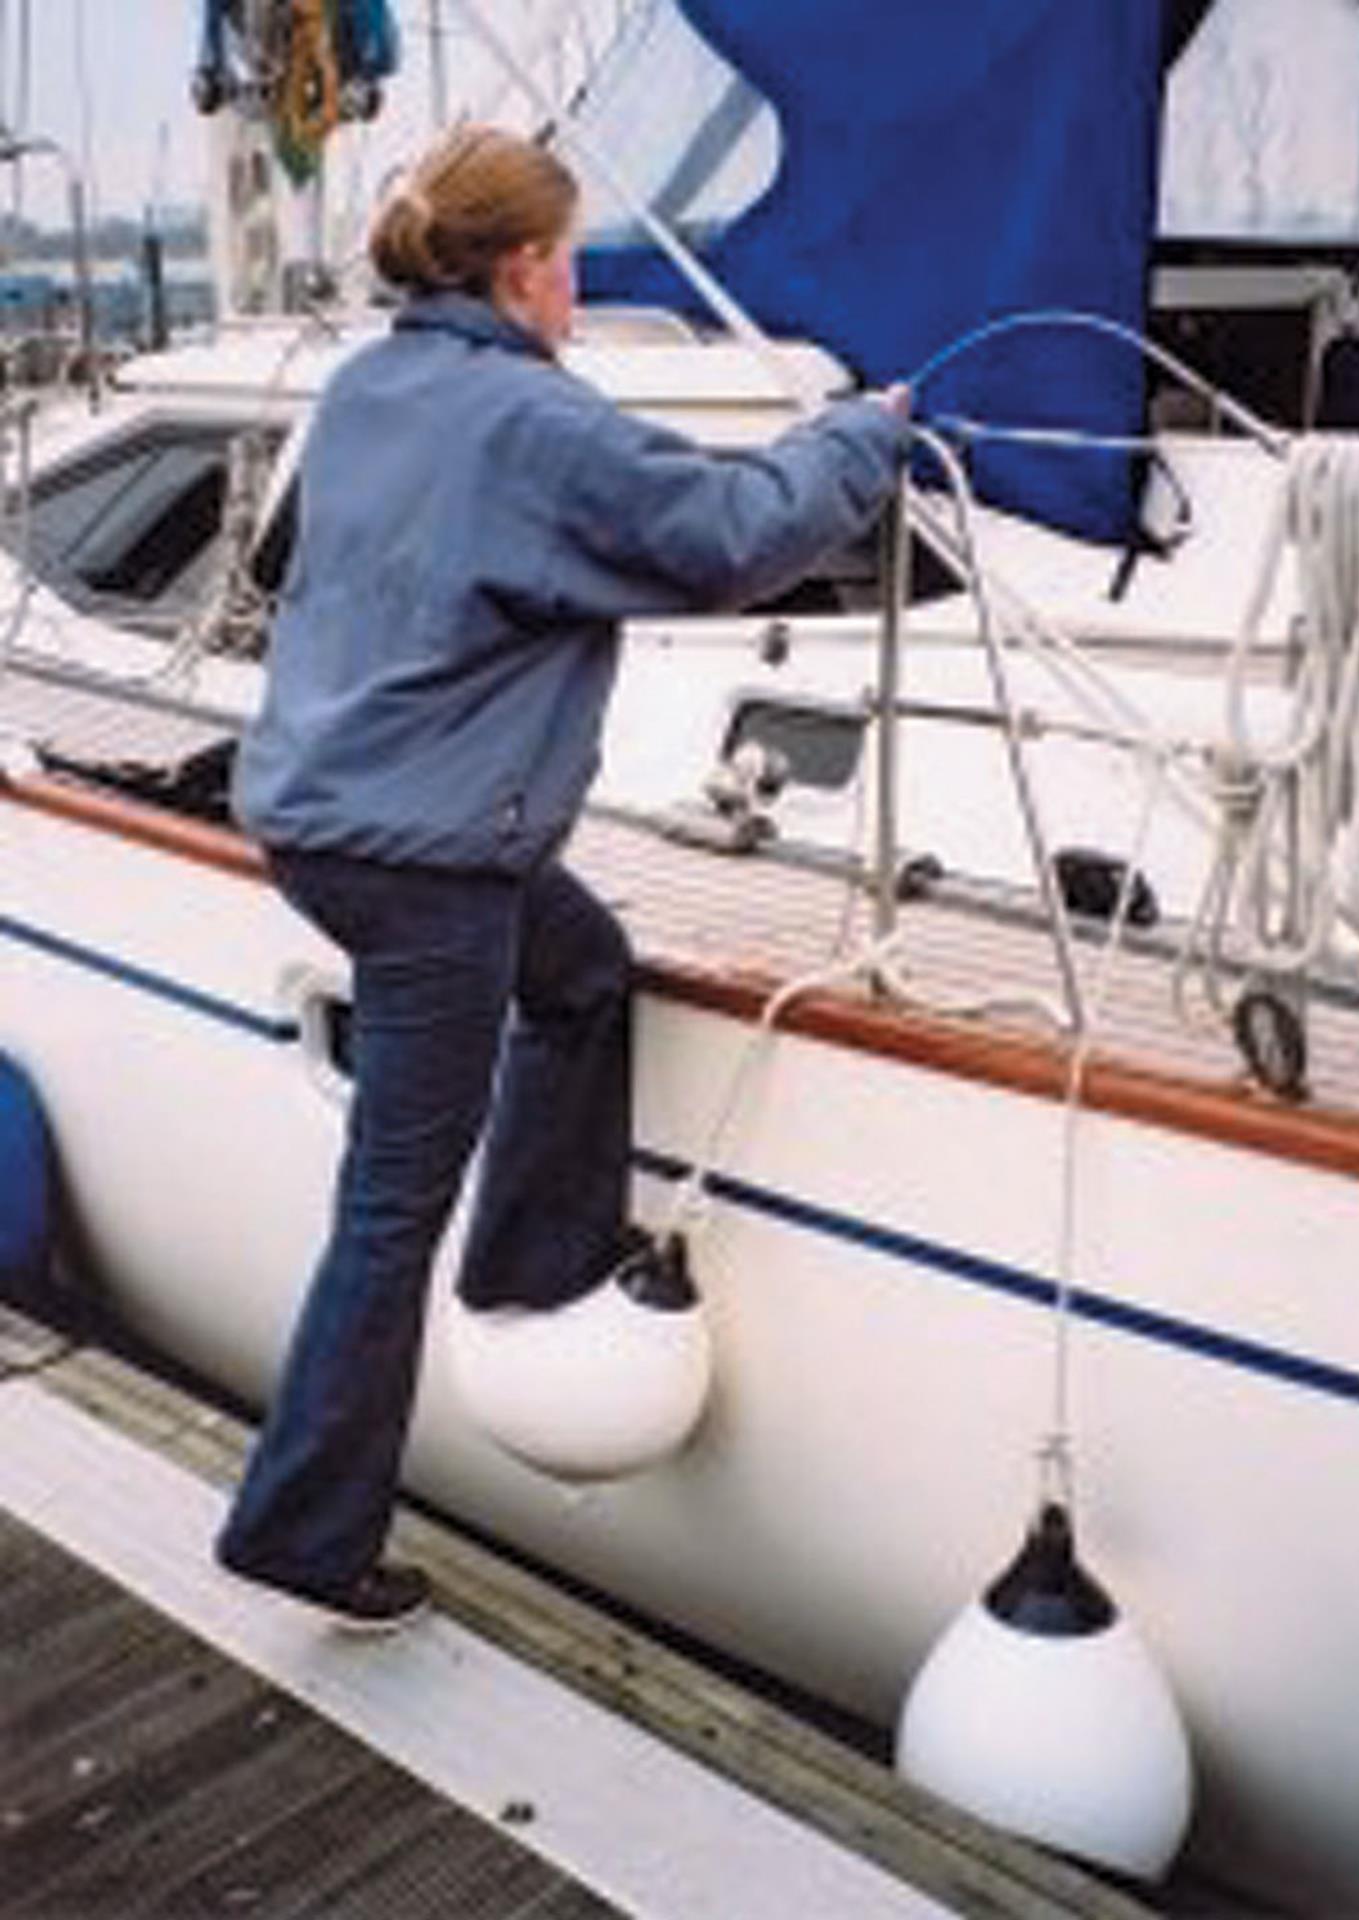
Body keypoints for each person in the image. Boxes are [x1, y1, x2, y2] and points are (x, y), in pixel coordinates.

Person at [216, 122, 912, 1630]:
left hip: (325, 823)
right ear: (526, 267)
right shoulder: (531, 421)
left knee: (582, 971)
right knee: (388, 1211)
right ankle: (304, 1530)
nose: (578, 292)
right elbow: (731, 539)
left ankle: (532, 1252)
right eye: (571, 261)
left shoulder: (368, 387)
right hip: (428, 865)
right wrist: (863, 436)